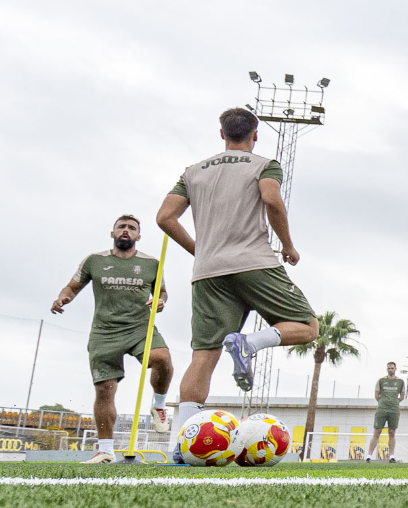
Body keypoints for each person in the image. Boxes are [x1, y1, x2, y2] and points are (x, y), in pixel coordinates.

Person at [156, 108, 318, 453]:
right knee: (307, 327)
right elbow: (271, 199)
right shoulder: (264, 164)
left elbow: (165, 217)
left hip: (208, 272)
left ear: (222, 134)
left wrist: (200, 251)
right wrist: (288, 245)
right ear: (254, 134)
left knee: (204, 356)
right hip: (254, 262)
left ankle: (183, 446)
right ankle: (250, 344)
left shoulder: (193, 171)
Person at [52, 214, 173, 463]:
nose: (126, 230)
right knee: (104, 390)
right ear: (112, 233)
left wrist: (160, 302)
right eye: (121, 227)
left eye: (132, 228)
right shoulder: (95, 260)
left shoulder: (152, 263)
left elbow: (162, 292)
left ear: (139, 236)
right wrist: (63, 298)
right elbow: (72, 287)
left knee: (162, 358)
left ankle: (159, 405)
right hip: (104, 331)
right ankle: (106, 450)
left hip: (140, 327)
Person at [370, 361, 405, 461]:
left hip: (394, 409)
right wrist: (383, 402)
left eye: (392, 368)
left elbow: (402, 395)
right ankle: (369, 456)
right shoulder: (381, 380)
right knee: (377, 431)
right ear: (387, 369)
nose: (390, 370)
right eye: (389, 368)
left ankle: (392, 456)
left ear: (395, 369)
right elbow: (376, 395)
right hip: (382, 408)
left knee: (392, 432)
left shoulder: (400, 382)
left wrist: (395, 402)